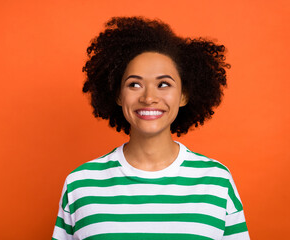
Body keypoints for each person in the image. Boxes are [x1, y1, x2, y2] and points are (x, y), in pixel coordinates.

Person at [52, 16, 250, 240]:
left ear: (184, 95)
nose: (148, 97)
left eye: (163, 84)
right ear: (117, 94)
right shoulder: (80, 183)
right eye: (134, 84)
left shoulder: (216, 181)